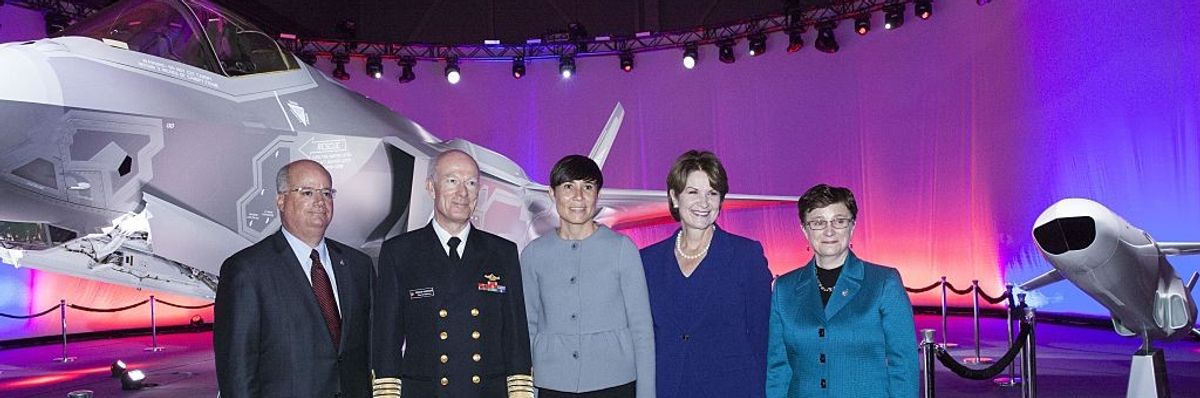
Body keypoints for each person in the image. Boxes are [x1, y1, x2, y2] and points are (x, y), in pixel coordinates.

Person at [372, 149, 534, 398]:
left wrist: (520, 392)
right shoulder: (400, 252)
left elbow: (516, 337)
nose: (462, 193)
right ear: (431, 187)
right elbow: (387, 339)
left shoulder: (502, 252)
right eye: (452, 181)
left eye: (470, 183)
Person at [214, 159, 375, 397]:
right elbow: (237, 369)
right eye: (307, 192)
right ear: (281, 200)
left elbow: (371, 349)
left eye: (327, 193)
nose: (320, 202)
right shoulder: (247, 270)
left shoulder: (357, 266)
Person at [638, 150, 772, 398]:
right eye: (693, 192)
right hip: (667, 388)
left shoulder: (746, 255)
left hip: (731, 389)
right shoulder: (648, 261)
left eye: (712, 193)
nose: (704, 203)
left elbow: (762, 337)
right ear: (674, 198)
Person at [521, 155, 655, 398]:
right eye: (568, 187)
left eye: (588, 187)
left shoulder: (622, 248)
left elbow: (642, 329)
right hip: (553, 384)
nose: (578, 197)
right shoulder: (533, 254)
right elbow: (528, 327)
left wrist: (646, 393)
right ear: (552, 193)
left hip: (614, 383)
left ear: (598, 194)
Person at [766, 184, 918, 398]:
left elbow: (903, 365)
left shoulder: (883, 283)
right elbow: (778, 368)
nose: (829, 231)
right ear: (804, 229)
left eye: (839, 221)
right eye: (818, 222)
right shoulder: (784, 289)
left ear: (852, 226)